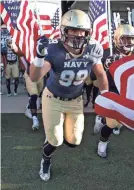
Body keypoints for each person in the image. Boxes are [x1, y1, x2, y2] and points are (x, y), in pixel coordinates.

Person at [30, 9, 108, 181]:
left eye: (82, 31)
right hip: (53, 99)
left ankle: (55, 131)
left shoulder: (93, 48)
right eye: (73, 30)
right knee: (55, 141)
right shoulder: (53, 49)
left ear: (88, 33)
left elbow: (101, 75)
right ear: (64, 31)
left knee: (73, 141)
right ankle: (46, 159)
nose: (78, 35)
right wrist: (39, 57)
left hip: (75, 100)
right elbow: (35, 77)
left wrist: (106, 96)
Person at [96, 24, 134, 158]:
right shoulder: (108, 53)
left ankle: (103, 120)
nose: (128, 42)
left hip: (129, 94)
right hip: (114, 94)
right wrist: (106, 66)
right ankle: (102, 142)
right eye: (125, 39)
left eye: (131, 39)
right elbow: (96, 79)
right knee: (111, 124)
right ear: (117, 39)